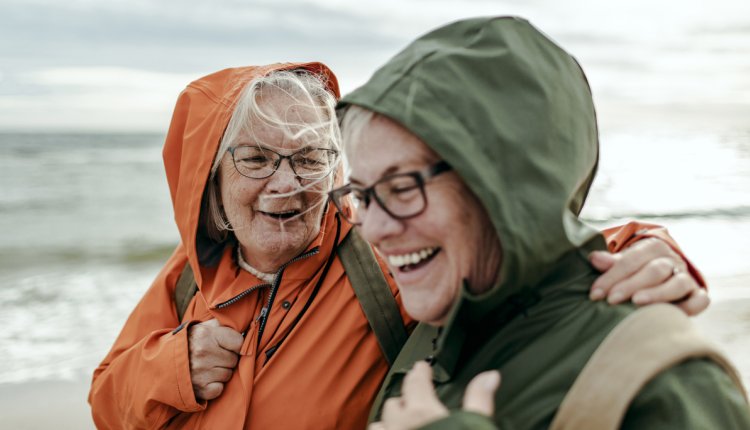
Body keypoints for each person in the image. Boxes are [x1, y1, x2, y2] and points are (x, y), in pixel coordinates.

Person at [89, 61, 707, 429]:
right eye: (254, 159)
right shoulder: (189, 272)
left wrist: (647, 248)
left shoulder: (379, 253)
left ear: (336, 168)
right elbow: (106, 402)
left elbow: (516, 251)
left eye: (308, 158)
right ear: (210, 181)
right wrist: (174, 367)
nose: (286, 183)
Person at [330, 16, 750, 429]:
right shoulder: (440, 332)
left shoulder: (668, 381)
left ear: (505, 184)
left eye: (401, 188)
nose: (373, 229)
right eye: (363, 195)